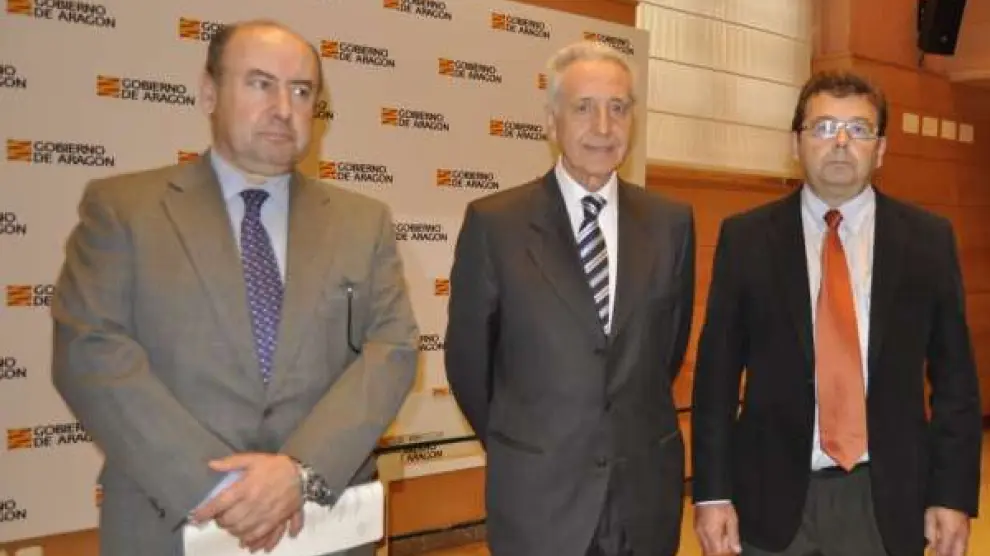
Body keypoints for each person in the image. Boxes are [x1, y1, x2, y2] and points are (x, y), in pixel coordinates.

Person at [51, 19, 418, 556]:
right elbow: (90, 353)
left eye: (301, 91)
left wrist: (299, 471)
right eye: (260, 84)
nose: (283, 108)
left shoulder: (364, 222)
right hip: (172, 522)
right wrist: (220, 491)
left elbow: (392, 349)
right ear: (209, 92)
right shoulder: (123, 211)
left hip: (321, 525)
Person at [691, 70, 982, 556]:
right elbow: (715, 380)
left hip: (884, 502)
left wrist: (951, 495)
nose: (841, 142)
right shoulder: (746, 239)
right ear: (795, 143)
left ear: (880, 149)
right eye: (823, 127)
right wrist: (712, 493)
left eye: (859, 129)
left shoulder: (927, 241)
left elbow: (956, 383)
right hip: (769, 499)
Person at [444, 41, 695, 556]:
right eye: (584, 108)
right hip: (539, 502)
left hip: (642, 500)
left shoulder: (670, 224)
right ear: (550, 121)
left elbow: (665, 354)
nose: (603, 126)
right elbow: (469, 366)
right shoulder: (496, 225)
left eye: (618, 107)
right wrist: (529, 445)